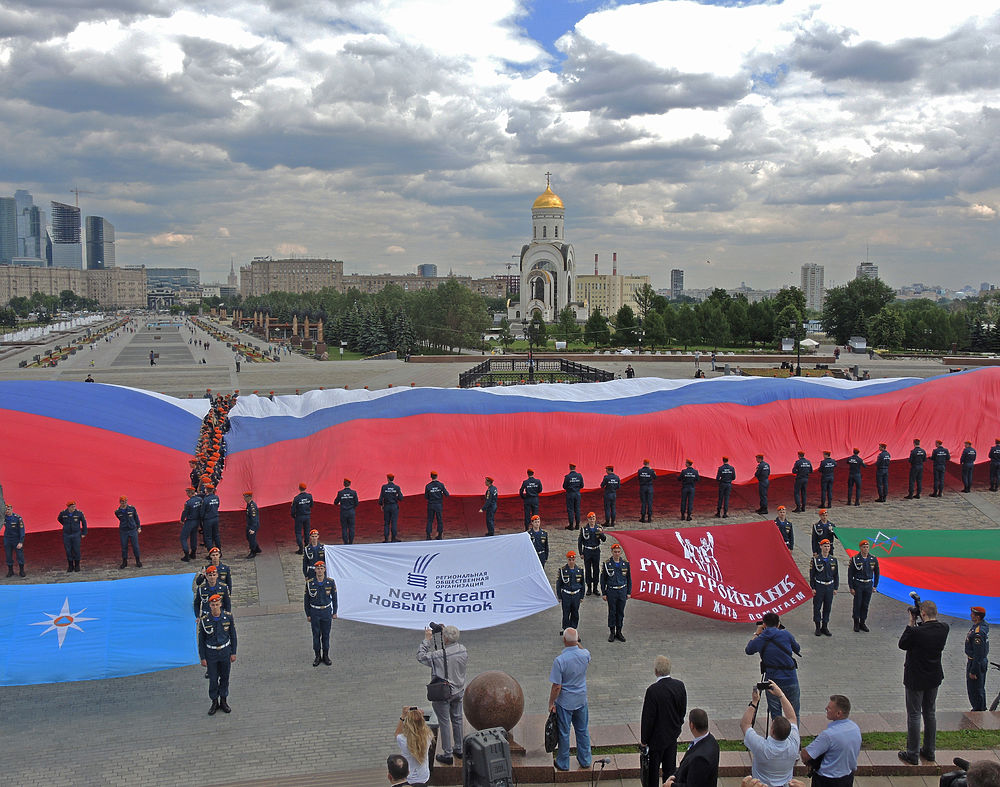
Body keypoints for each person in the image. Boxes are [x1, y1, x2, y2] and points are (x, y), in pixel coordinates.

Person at [898, 598, 950, 764]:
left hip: (915, 678)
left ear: (923, 614)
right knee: (930, 713)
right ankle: (929, 750)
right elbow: (930, 627)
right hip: (933, 676)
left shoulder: (916, 632)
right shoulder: (944, 628)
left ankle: (912, 753)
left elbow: (903, 644)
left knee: (914, 715)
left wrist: (911, 622)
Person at [417, 624, 467, 765]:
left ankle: (448, 753)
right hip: (459, 690)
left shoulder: (439, 655)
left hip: (444, 692)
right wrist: (446, 632)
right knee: (457, 719)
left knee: (444, 722)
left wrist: (427, 639)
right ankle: (459, 749)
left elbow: (420, 657)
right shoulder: (463, 650)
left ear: (445, 638)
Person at [549, 628, 592, 772]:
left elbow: (557, 686)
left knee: (564, 732)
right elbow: (583, 650)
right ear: (577, 639)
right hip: (581, 699)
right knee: (582, 730)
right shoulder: (585, 654)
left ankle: (563, 763)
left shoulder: (560, 661)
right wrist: (577, 642)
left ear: (564, 640)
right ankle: (585, 760)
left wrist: (551, 703)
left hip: (565, 702)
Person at [640, 655, 687, 787]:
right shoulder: (679, 686)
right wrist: (678, 726)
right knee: (670, 771)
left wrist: (644, 740)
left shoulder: (652, 691)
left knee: (652, 774)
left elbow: (648, 718)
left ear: (656, 671)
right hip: (672, 737)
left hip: (655, 740)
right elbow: (682, 710)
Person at [741, 682, 799, 787]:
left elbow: (745, 724)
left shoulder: (761, 746)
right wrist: (781, 695)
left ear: (772, 731)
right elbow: (792, 717)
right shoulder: (794, 743)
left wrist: (754, 702)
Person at [745, 612, 802, 719]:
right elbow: (797, 648)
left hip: (772, 681)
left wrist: (757, 633)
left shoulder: (761, 639)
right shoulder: (786, 634)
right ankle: (795, 734)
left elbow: (748, 650)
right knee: (794, 713)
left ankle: (777, 734)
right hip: (790, 678)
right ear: (778, 624)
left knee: (776, 714)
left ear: (764, 625)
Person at [800, 695, 861, 787]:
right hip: (847, 777)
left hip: (826, 781)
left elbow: (806, 755)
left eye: (829, 708)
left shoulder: (829, 735)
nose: (826, 709)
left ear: (838, 713)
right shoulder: (855, 728)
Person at [197, 593, 237, 716]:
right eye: (213, 605)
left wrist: (233, 652)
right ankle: (214, 702)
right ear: (209, 605)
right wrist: (203, 657)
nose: (215, 607)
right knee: (213, 679)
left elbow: (233, 636)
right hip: (211, 653)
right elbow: (201, 641)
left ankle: (224, 701)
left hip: (225, 652)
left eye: (217, 604)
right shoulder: (205, 620)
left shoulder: (228, 617)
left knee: (225, 677)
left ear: (220, 604)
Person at [666, 709, 719, 787]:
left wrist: (671, 785)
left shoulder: (700, 758)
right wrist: (675, 776)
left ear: (692, 725)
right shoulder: (712, 740)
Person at [304, 560, 338, 666]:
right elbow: (306, 600)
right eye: (317, 569)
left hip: (326, 612)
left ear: (324, 569)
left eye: (321, 568)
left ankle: (326, 656)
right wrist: (308, 614)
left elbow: (335, 598)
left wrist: (335, 611)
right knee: (316, 635)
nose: (319, 571)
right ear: (315, 570)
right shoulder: (310, 583)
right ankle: (317, 656)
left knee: (326, 635)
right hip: (315, 612)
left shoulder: (330, 582)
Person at [601, 543, 631, 642]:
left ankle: (619, 631)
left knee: (620, 612)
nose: (617, 554)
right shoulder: (607, 564)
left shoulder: (625, 564)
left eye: (618, 552)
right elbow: (603, 579)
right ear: (612, 552)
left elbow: (629, 579)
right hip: (612, 590)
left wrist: (628, 592)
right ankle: (612, 632)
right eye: (615, 552)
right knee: (612, 611)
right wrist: (604, 593)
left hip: (622, 590)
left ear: (620, 552)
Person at [395, 707, 432, 787]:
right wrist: (420, 717)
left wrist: (403, 716)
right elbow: (423, 727)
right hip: (424, 776)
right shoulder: (428, 736)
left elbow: (397, 733)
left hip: (409, 777)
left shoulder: (403, 739)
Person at [848, 540, 879, 632]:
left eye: (867, 547)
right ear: (860, 548)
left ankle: (863, 622)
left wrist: (875, 585)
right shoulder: (855, 559)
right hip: (858, 584)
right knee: (857, 604)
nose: (865, 549)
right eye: (864, 547)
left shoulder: (873, 559)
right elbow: (850, 574)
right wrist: (851, 587)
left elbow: (877, 573)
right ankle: (856, 623)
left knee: (865, 604)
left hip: (868, 584)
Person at [809, 539, 838, 637]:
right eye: (825, 546)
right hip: (819, 586)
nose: (827, 548)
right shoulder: (815, 560)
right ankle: (817, 626)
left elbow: (836, 575)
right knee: (817, 607)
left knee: (827, 607)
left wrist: (835, 587)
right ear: (821, 547)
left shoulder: (833, 560)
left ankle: (825, 626)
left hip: (829, 586)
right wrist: (813, 587)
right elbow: (812, 575)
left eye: (828, 546)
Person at [966, 606, 990, 711]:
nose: (971, 615)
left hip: (976, 662)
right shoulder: (980, 626)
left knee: (975, 689)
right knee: (977, 688)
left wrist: (974, 670)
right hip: (977, 661)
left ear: (977, 617)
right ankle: (979, 708)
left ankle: (979, 711)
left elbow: (978, 653)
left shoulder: (978, 632)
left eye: (973, 614)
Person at [556, 551, 585, 634]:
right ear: (567, 560)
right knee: (566, 613)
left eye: (573, 559)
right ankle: (566, 630)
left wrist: (582, 596)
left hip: (576, 595)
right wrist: (559, 596)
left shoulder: (579, 570)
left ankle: (573, 630)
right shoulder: (562, 570)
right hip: (566, 595)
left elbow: (582, 584)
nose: (571, 561)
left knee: (575, 613)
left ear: (575, 559)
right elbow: (559, 584)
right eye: (569, 560)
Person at [578, 512, 606, 595]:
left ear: (595, 519)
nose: (592, 520)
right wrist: (581, 553)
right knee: (588, 570)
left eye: (593, 518)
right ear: (588, 519)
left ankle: (595, 588)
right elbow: (580, 542)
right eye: (590, 518)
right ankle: (589, 588)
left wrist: (601, 533)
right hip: (587, 551)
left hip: (596, 551)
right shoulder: (584, 529)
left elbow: (604, 539)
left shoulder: (599, 528)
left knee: (596, 570)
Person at [57, 500, 87, 573]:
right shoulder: (63, 513)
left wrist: (84, 533)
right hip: (67, 535)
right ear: (68, 507)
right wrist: (66, 526)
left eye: (74, 506)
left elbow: (84, 523)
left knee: (76, 550)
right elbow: (59, 519)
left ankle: (77, 565)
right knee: (68, 550)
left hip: (76, 534)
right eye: (72, 507)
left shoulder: (79, 513)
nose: (74, 508)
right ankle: (70, 565)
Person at [114, 495, 142, 569]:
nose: (124, 503)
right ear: (120, 502)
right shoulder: (117, 512)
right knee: (124, 547)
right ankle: (124, 562)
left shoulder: (132, 509)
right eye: (123, 502)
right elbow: (120, 519)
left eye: (125, 501)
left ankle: (138, 561)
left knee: (135, 546)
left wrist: (139, 527)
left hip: (132, 529)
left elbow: (136, 518)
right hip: (124, 531)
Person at [379, 473, 404, 542]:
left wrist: (381, 505)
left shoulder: (384, 487)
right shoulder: (397, 487)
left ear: (387, 479)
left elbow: (381, 497)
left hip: (386, 506)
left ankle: (386, 539)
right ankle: (393, 538)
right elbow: (401, 498)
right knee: (394, 522)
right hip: (394, 506)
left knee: (386, 523)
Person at [424, 471, 449, 540]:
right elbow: (447, 494)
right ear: (437, 476)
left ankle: (428, 536)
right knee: (439, 520)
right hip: (438, 505)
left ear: (431, 476)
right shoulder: (441, 485)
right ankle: (440, 535)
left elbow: (426, 497)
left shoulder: (428, 486)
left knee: (429, 520)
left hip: (431, 505)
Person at [3, 503, 25, 578]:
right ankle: (10, 571)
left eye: (8, 509)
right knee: (8, 555)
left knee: (20, 555)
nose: (7, 511)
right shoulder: (3, 518)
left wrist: (21, 542)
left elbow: (22, 530)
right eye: (6, 509)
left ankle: (21, 570)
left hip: (16, 539)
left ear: (12, 509)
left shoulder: (18, 518)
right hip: (7, 539)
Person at [334, 478, 359, 544]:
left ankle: (345, 543)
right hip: (351, 512)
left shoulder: (340, 493)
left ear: (343, 484)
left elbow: (335, 502)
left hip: (343, 512)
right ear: (350, 484)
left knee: (344, 528)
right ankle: (351, 542)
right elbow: (356, 503)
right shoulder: (353, 493)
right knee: (351, 528)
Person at [291, 482, 313, 554]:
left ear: (299, 488)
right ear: (305, 488)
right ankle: (306, 546)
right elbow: (311, 505)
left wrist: (293, 516)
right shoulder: (309, 496)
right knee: (307, 531)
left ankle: (300, 548)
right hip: (307, 516)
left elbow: (293, 509)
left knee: (298, 532)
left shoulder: (296, 498)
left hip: (299, 516)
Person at [181, 487, 202, 562]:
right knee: (194, 536)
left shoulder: (188, 502)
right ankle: (193, 552)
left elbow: (185, 512)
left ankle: (186, 554)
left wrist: (182, 520)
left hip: (190, 521)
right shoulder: (199, 500)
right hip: (197, 520)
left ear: (190, 493)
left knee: (183, 537)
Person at [562, 462, 584, 530]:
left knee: (570, 510)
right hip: (577, 494)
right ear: (575, 468)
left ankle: (571, 525)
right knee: (577, 509)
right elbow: (582, 485)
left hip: (570, 494)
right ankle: (577, 525)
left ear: (570, 468)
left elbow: (564, 486)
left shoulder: (568, 477)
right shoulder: (579, 476)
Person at [201, 484, 221, 550]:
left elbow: (202, 511)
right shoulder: (216, 497)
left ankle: (211, 552)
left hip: (208, 519)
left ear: (206, 490)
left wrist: (201, 518)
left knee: (208, 536)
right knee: (216, 535)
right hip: (215, 517)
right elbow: (217, 506)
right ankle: (219, 550)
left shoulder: (205, 499)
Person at [243, 490, 261, 559]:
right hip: (249, 524)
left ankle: (253, 551)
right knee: (248, 537)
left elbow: (254, 518)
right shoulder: (249, 505)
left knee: (251, 538)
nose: (244, 499)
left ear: (249, 497)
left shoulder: (252, 507)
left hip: (252, 525)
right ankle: (257, 548)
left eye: (245, 497)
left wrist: (253, 528)